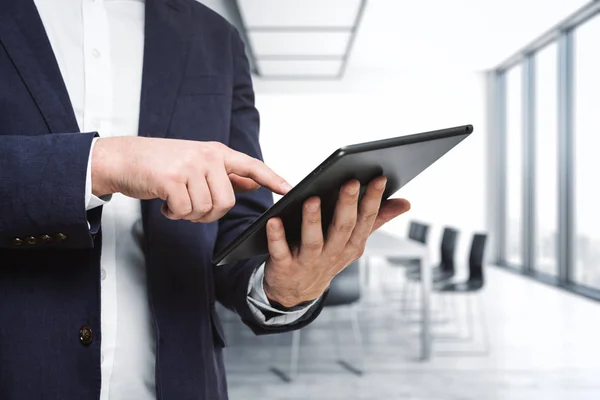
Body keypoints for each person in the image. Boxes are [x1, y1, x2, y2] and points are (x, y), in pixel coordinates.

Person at [0, 0, 411, 399]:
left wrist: (280, 286)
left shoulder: (216, 37)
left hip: (187, 381)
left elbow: (238, 221)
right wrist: (103, 163)